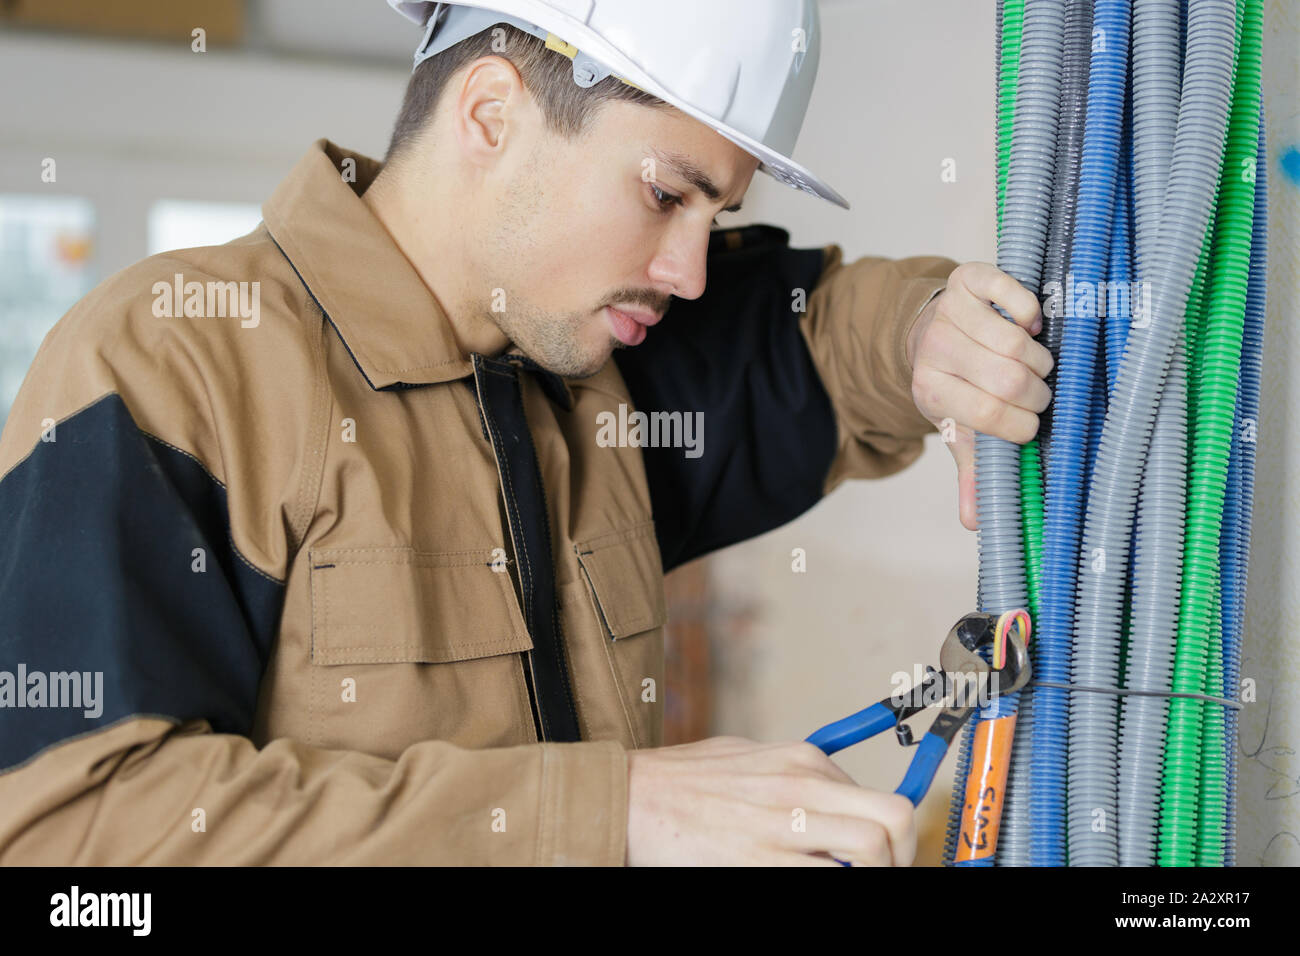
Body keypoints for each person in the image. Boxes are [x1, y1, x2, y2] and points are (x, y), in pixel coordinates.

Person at [0, 0, 1051, 865]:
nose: (688, 270)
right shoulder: (173, 361)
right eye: (664, 193)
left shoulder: (601, 360)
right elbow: (71, 832)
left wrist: (934, 335)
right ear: (492, 112)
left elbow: (824, 332)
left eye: (713, 217)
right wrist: (611, 812)